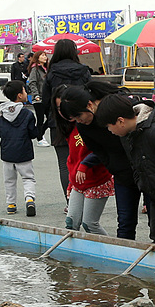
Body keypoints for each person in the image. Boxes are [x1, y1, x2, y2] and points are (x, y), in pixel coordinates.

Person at [94, 93, 155, 249]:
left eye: (109, 126)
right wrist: (144, 184)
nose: (109, 131)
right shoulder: (127, 135)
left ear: (120, 121)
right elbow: (135, 163)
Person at [58, 82, 141, 239]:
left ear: (89, 105)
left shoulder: (111, 113)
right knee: (124, 222)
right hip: (120, 174)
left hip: (139, 169)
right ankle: (119, 256)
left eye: (79, 116)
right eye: (74, 118)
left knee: (91, 223)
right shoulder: (82, 126)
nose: (78, 121)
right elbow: (98, 150)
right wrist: (113, 167)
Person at [42, 39, 92, 197]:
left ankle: (69, 200)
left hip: (58, 123)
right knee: (83, 159)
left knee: (64, 164)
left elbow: (45, 100)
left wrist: (51, 116)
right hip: (82, 121)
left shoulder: (51, 73)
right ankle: (86, 196)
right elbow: (91, 94)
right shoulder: (83, 71)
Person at [63, 101, 114, 236]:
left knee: (90, 223)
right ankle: (72, 254)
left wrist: (85, 165)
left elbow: (102, 150)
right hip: (77, 181)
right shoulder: (71, 127)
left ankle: (109, 250)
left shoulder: (93, 125)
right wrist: (71, 182)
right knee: (71, 222)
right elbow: (72, 158)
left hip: (97, 179)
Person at [0, 79, 42, 216]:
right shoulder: (27, 114)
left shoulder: (1, 113)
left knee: (9, 180)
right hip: (24, 151)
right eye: (24, 90)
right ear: (19, 95)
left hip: (7, 151)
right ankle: (29, 199)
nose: (26, 92)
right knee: (28, 178)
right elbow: (33, 133)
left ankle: (11, 204)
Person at [27, 52, 49, 146]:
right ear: (37, 57)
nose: (45, 57)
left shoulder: (46, 68)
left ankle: (39, 134)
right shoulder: (35, 68)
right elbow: (32, 82)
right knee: (40, 119)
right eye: (42, 55)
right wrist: (36, 95)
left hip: (47, 97)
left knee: (51, 117)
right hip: (39, 97)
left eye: (45, 55)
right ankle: (39, 138)